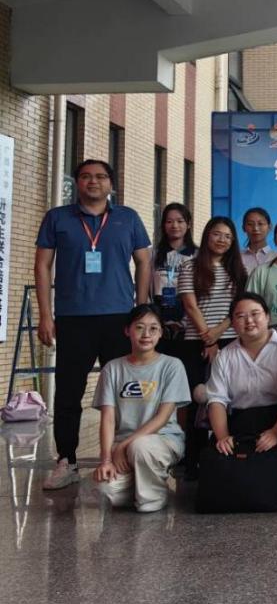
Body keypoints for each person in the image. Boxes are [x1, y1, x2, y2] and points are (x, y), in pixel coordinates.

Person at [36, 159, 151, 490]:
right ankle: (67, 461)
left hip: (119, 318)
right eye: (86, 177)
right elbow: (42, 266)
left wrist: (141, 309)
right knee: (69, 391)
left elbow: (144, 261)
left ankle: (123, 457)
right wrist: (45, 315)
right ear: (77, 183)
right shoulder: (57, 218)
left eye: (101, 177)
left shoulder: (127, 218)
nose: (93, 182)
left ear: (111, 184)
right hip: (73, 318)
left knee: (124, 391)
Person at [92, 304, 191, 512]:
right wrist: (106, 460)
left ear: (161, 333)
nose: (146, 334)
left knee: (141, 447)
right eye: (139, 327)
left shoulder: (172, 366)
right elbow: (108, 419)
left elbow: (163, 417)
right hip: (125, 447)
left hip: (162, 439)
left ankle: (152, 497)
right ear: (127, 331)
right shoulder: (112, 368)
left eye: (153, 328)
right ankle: (144, 482)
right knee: (106, 489)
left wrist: (124, 445)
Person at [178, 216, 247, 477]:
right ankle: (192, 462)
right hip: (195, 341)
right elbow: (190, 305)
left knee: (230, 399)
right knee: (196, 401)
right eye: (217, 234)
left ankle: (227, 456)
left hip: (230, 340)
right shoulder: (190, 266)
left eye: (228, 236)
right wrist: (208, 338)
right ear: (207, 235)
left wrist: (217, 335)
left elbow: (237, 308)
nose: (222, 240)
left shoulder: (238, 269)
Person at [207, 295, 277, 484]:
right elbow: (216, 400)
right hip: (241, 421)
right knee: (218, 463)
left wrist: (276, 433)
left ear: (267, 316)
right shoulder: (224, 356)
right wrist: (223, 437)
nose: (249, 321)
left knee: (267, 467)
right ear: (233, 323)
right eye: (240, 316)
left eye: (255, 314)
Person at [151, 202, 197, 361]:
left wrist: (184, 321)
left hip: (188, 315)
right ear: (163, 225)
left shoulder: (198, 255)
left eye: (180, 221)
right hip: (159, 314)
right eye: (169, 221)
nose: (174, 225)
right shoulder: (154, 254)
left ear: (188, 224)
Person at [240, 207, 276, 273]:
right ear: (243, 228)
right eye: (250, 224)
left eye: (260, 224)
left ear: (270, 227)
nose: (255, 228)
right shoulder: (237, 258)